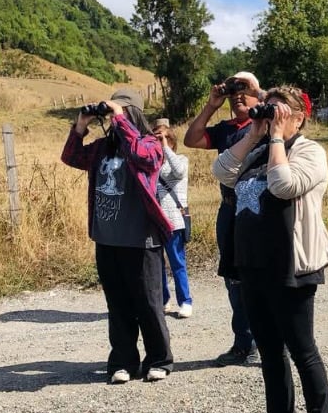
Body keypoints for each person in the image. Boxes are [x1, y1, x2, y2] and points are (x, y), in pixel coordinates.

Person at [212, 86, 328, 413]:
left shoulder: (310, 151)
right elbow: (221, 171)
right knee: (269, 353)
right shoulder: (258, 149)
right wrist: (254, 135)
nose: (271, 117)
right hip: (252, 264)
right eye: (268, 110)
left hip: (290, 266)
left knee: (302, 351)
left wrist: (278, 138)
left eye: (278, 111)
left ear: (300, 117)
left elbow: (284, 185)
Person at [61, 89, 173, 384]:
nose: (111, 120)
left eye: (118, 114)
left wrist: (121, 118)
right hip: (107, 239)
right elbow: (71, 157)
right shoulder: (101, 148)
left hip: (141, 240)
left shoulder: (151, 144)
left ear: (132, 115)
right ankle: (122, 360)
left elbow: (142, 157)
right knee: (118, 305)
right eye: (110, 116)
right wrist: (82, 124)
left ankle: (159, 359)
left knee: (148, 304)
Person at [184, 71, 261, 366]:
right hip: (230, 209)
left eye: (246, 89)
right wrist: (212, 105)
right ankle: (244, 343)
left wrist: (260, 93)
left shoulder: (266, 124)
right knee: (233, 279)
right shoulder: (226, 129)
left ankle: (271, 341)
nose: (239, 94)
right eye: (234, 90)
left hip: (259, 210)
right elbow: (191, 139)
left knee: (262, 276)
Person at [153, 118, 192, 318]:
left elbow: (177, 171)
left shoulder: (181, 160)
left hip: (174, 220)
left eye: (166, 137)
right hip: (154, 222)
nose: (161, 141)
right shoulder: (151, 164)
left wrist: (166, 148)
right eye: (157, 138)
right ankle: (164, 300)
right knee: (156, 265)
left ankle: (185, 302)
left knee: (177, 263)